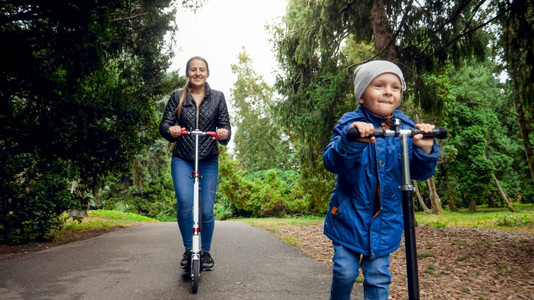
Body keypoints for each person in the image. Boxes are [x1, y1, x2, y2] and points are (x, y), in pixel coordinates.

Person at [322, 60, 440, 299]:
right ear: (361, 96)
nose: (388, 91)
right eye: (379, 85)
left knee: (378, 277)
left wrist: (425, 149)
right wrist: (351, 141)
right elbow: (332, 162)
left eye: (395, 87)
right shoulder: (349, 124)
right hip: (348, 217)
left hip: (386, 222)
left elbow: (419, 172)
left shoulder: (406, 128)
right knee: (345, 271)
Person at [159, 56, 231, 271]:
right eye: (193, 70)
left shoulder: (218, 98)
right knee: (184, 202)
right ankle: (190, 249)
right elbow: (164, 125)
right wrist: (170, 130)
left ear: (207, 73)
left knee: (207, 210)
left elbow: (226, 129)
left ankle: (205, 251)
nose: (197, 73)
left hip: (208, 158)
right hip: (182, 157)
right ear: (187, 73)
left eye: (201, 69)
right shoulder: (177, 97)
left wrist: (223, 133)